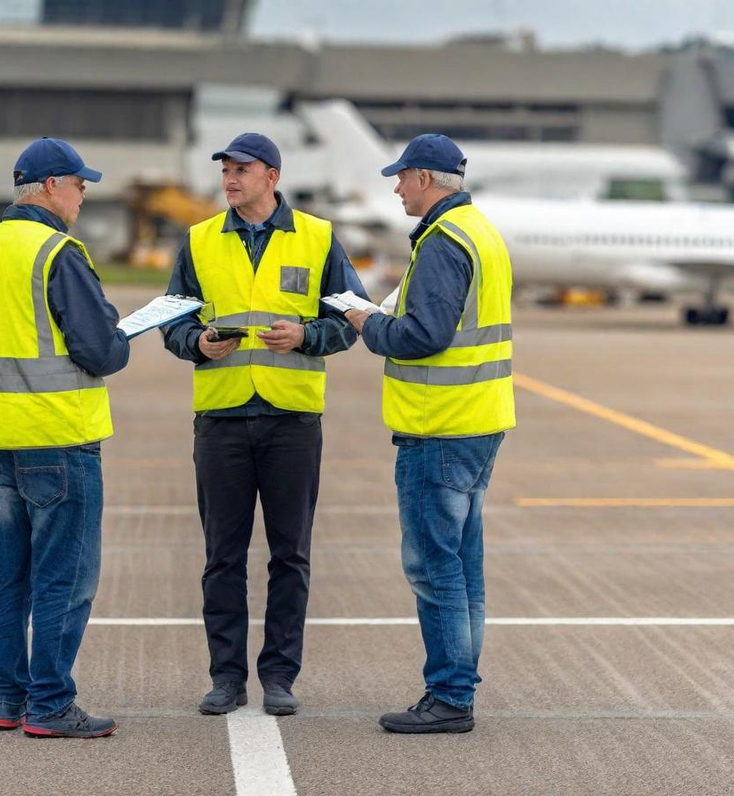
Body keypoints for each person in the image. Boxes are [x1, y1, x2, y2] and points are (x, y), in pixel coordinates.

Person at [162, 132, 368, 716]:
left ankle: (279, 676)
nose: (230, 179)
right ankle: (226, 678)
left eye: (242, 170)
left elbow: (354, 317)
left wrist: (308, 335)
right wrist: (197, 343)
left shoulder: (318, 237)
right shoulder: (200, 239)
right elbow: (170, 320)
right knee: (222, 557)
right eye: (226, 170)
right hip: (222, 418)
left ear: (272, 177)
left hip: (291, 419)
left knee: (290, 556)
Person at [0, 137, 130, 738]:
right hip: (57, 435)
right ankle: (51, 703)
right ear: (52, 186)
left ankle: (9, 699)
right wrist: (120, 333)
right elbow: (100, 351)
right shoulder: (58, 251)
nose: (82, 197)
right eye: (80, 185)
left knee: (10, 577)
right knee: (65, 578)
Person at [344, 134, 515, 734]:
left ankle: (449, 696)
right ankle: (457, 689)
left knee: (434, 568)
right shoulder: (479, 231)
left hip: (438, 425)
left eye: (401, 177)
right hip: (478, 419)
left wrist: (368, 323)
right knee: (463, 568)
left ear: (424, 178)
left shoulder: (443, 241)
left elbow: (425, 336)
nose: (396, 188)